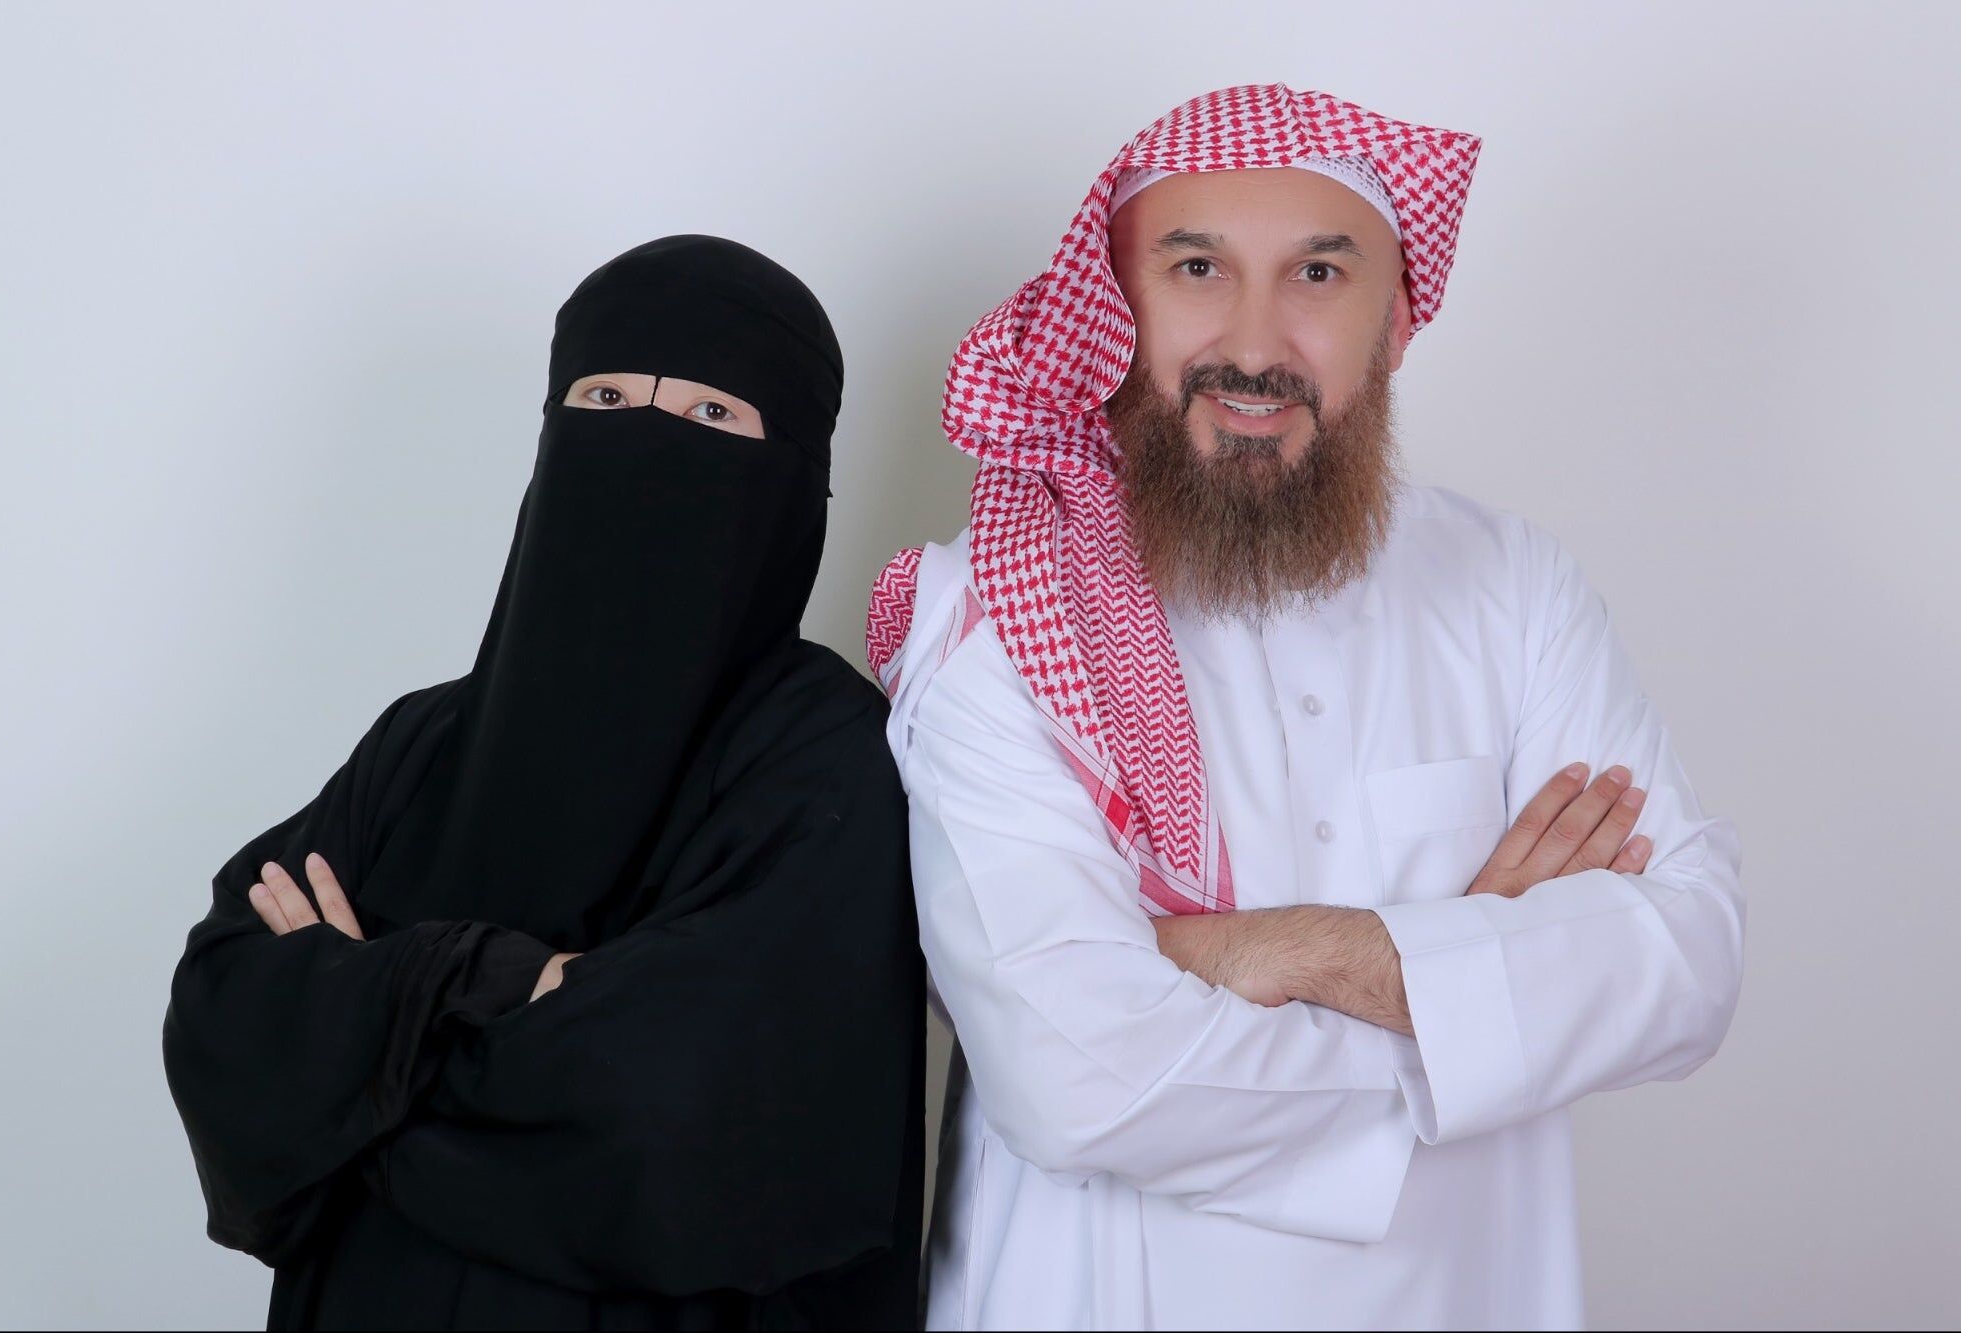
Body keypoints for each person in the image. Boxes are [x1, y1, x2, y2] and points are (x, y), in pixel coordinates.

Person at [867, 85, 1743, 1330]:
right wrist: (1477, 989)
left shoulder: (1509, 586)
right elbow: (1073, 1077)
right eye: (1195, 268)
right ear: (1110, 310)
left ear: (1396, 319)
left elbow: (1688, 957)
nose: (1253, 342)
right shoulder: (991, 612)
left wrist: (1288, 951)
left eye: (1318, 274)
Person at [165, 234, 924, 1331]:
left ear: (795, 474)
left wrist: (361, 1042)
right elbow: (224, 1012)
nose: (647, 439)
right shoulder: (428, 737)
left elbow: (677, 1110)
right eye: (606, 396)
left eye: (711, 413)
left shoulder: (823, 751)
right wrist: (496, 981)